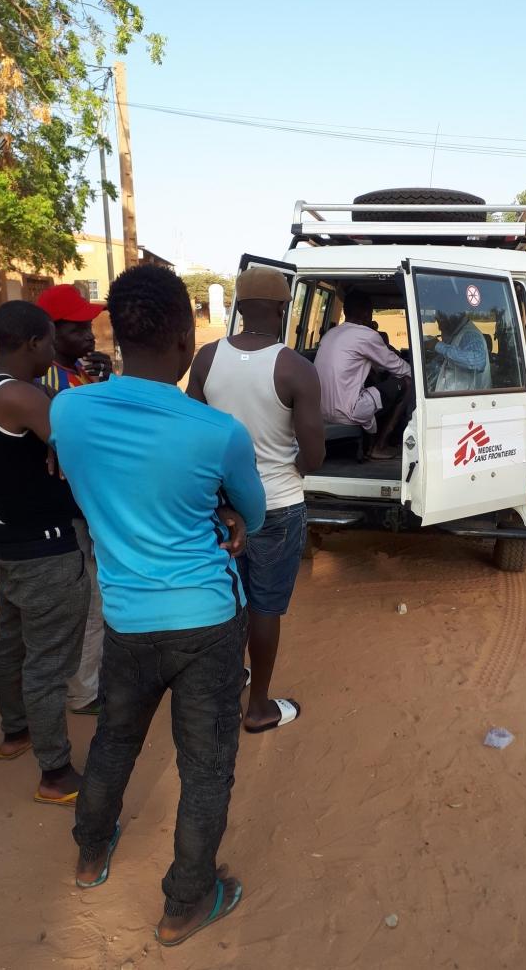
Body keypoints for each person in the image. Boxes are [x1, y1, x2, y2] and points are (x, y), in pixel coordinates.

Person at [49, 265, 266, 947]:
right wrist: (227, 510)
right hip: (205, 621)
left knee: (115, 737)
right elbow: (252, 514)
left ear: (116, 329)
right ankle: (185, 903)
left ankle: (89, 853)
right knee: (206, 766)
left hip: (127, 619)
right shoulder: (216, 431)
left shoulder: (68, 409)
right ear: (182, 338)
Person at [188, 267, 325, 733]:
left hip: (221, 506)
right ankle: (260, 706)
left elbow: (194, 433)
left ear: (238, 308)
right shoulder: (295, 368)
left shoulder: (207, 360)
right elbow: (316, 454)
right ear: (285, 309)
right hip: (278, 504)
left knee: (230, 599)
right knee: (266, 605)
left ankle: (232, 681)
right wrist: (293, 469)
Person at [0, 301, 90, 805]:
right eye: (52, 343)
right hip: (46, 548)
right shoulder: (24, 398)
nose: (56, 351)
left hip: (7, 535)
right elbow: (83, 451)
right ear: (36, 342)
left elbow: (42, 406)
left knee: (11, 640)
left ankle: (15, 732)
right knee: (48, 663)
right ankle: (55, 774)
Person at [36, 283, 112, 716]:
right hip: (74, 508)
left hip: (87, 503)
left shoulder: (78, 372)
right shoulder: (51, 381)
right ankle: (84, 691)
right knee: (92, 600)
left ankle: (91, 679)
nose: (89, 334)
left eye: (89, 326)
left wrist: (106, 382)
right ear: (50, 332)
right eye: (77, 328)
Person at [315, 290, 411, 460]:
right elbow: (400, 368)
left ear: (345, 311)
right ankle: (380, 446)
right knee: (407, 382)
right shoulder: (367, 336)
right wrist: (418, 371)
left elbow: (373, 367)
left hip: (321, 411)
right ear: (368, 313)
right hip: (347, 411)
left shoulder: (330, 334)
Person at [428, 311, 491, 392]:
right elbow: (450, 358)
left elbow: (478, 362)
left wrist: (438, 345)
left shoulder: (470, 334)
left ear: (449, 317)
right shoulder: (457, 333)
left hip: (468, 400)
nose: (439, 326)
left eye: (440, 320)